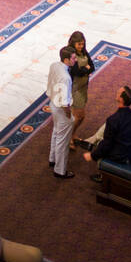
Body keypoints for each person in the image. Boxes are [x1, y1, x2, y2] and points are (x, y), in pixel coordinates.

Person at [82, 86, 131, 183]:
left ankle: (103, 175)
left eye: (118, 92)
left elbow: (106, 145)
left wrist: (92, 156)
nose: (116, 93)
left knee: (101, 144)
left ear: (121, 99)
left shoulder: (113, 120)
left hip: (120, 157)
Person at [46, 46, 76, 180]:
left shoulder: (54, 65)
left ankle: (52, 159)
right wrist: (69, 114)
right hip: (61, 109)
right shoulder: (66, 78)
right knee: (63, 141)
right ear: (66, 59)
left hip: (52, 103)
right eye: (73, 58)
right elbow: (65, 103)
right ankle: (60, 170)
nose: (75, 60)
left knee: (56, 132)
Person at [67, 31, 94, 150]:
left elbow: (92, 66)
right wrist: (85, 69)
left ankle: (72, 135)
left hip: (83, 87)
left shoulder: (83, 52)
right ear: (73, 43)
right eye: (79, 44)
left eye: (82, 44)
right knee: (79, 116)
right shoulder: (71, 55)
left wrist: (85, 69)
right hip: (75, 88)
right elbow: (76, 71)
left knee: (79, 117)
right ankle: (68, 137)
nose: (81, 46)